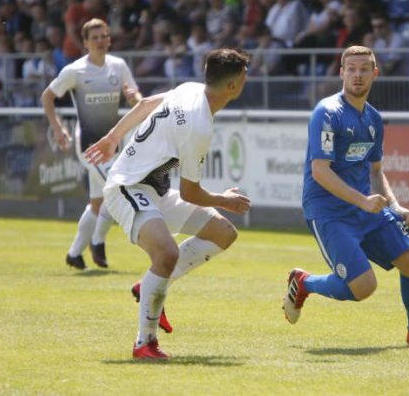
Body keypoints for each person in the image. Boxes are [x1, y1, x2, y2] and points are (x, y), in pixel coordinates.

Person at [83, 48, 252, 360]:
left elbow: (147, 103)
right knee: (167, 253)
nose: (245, 81)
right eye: (244, 77)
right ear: (233, 86)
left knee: (224, 233)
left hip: (155, 190)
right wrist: (223, 200)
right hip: (127, 186)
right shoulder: (199, 126)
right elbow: (190, 193)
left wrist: (112, 137)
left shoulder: (190, 88)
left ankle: (147, 286)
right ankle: (144, 342)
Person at [282, 45, 409, 346]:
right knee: (363, 287)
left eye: (364, 69)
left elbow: (375, 172)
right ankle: (305, 282)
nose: (357, 75)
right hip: (329, 212)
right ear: (342, 73)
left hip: (365, 208)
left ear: (375, 73)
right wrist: (362, 201)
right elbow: (320, 171)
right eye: (351, 69)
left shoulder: (373, 118)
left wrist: (396, 205)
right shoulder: (327, 113)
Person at [41, 18, 142, 271]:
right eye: (94, 37)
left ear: (109, 39)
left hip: (112, 143)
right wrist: (58, 127)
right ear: (85, 43)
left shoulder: (118, 66)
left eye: (104, 36)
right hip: (89, 145)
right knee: (118, 188)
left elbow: (137, 99)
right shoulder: (75, 71)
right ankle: (97, 241)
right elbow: (48, 96)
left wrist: (134, 98)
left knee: (98, 203)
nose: (100, 41)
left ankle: (75, 253)